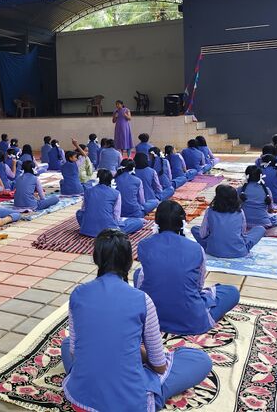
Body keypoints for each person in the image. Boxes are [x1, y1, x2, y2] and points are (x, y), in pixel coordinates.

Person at [61, 229, 213, 412]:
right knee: (199, 359)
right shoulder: (141, 299)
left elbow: (75, 355)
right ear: (129, 262)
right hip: (131, 404)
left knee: (68, 343)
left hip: (82, 400)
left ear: (96, 259)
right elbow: (159, 366)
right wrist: (139, 353)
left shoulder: (78, 294)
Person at [135, 200, 240, 335]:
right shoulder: (195, 248)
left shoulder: (144, 245)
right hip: (191, 321)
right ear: (182, 222)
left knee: (139, 273)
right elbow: (198, 287)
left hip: (152, 318)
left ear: (157, 222)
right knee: (232, 292)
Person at [192, 185, 265, 258]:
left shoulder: (210, 211)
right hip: (238, 251)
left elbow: (202, 234)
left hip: (213, 251)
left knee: (195, 229)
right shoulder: (240, 212)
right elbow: (242, 233)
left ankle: (215, 246)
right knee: (260, 229)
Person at [77, 169, 145, 236]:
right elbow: (116, 216)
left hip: (87, 230)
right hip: (108, 231)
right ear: (111, 180)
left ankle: (89, 227)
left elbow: (83, 209)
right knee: (138, 222)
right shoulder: (116, 193)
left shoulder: (88, 191)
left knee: (79, 213)